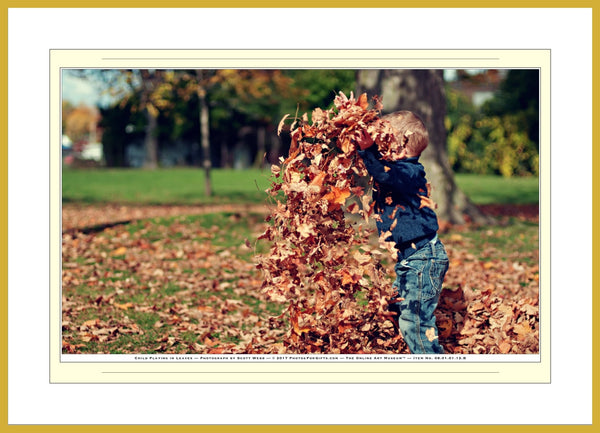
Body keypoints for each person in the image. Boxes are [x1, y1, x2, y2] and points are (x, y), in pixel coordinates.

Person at [356, 110, 449, 354]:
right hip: (411, 260)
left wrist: (368, 151)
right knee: (396, 307)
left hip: (423, 260)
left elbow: (385, 176)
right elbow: (381, 173)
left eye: (384, 141)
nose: (379, 146)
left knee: (416, 323)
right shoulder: (397, 172)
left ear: (400, 145)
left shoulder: (409, 172)